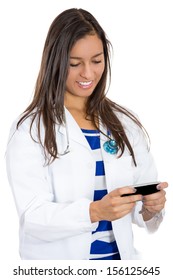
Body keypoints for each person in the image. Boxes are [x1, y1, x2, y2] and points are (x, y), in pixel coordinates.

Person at [6, 8, 167, 260]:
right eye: (74, 63)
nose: (88, 74)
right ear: (55, 61)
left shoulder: (124, 123)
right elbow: (33, 216)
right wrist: (94, 212)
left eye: (96, 60)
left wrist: (151, 207)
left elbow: (139, 207)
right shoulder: (31, 129)